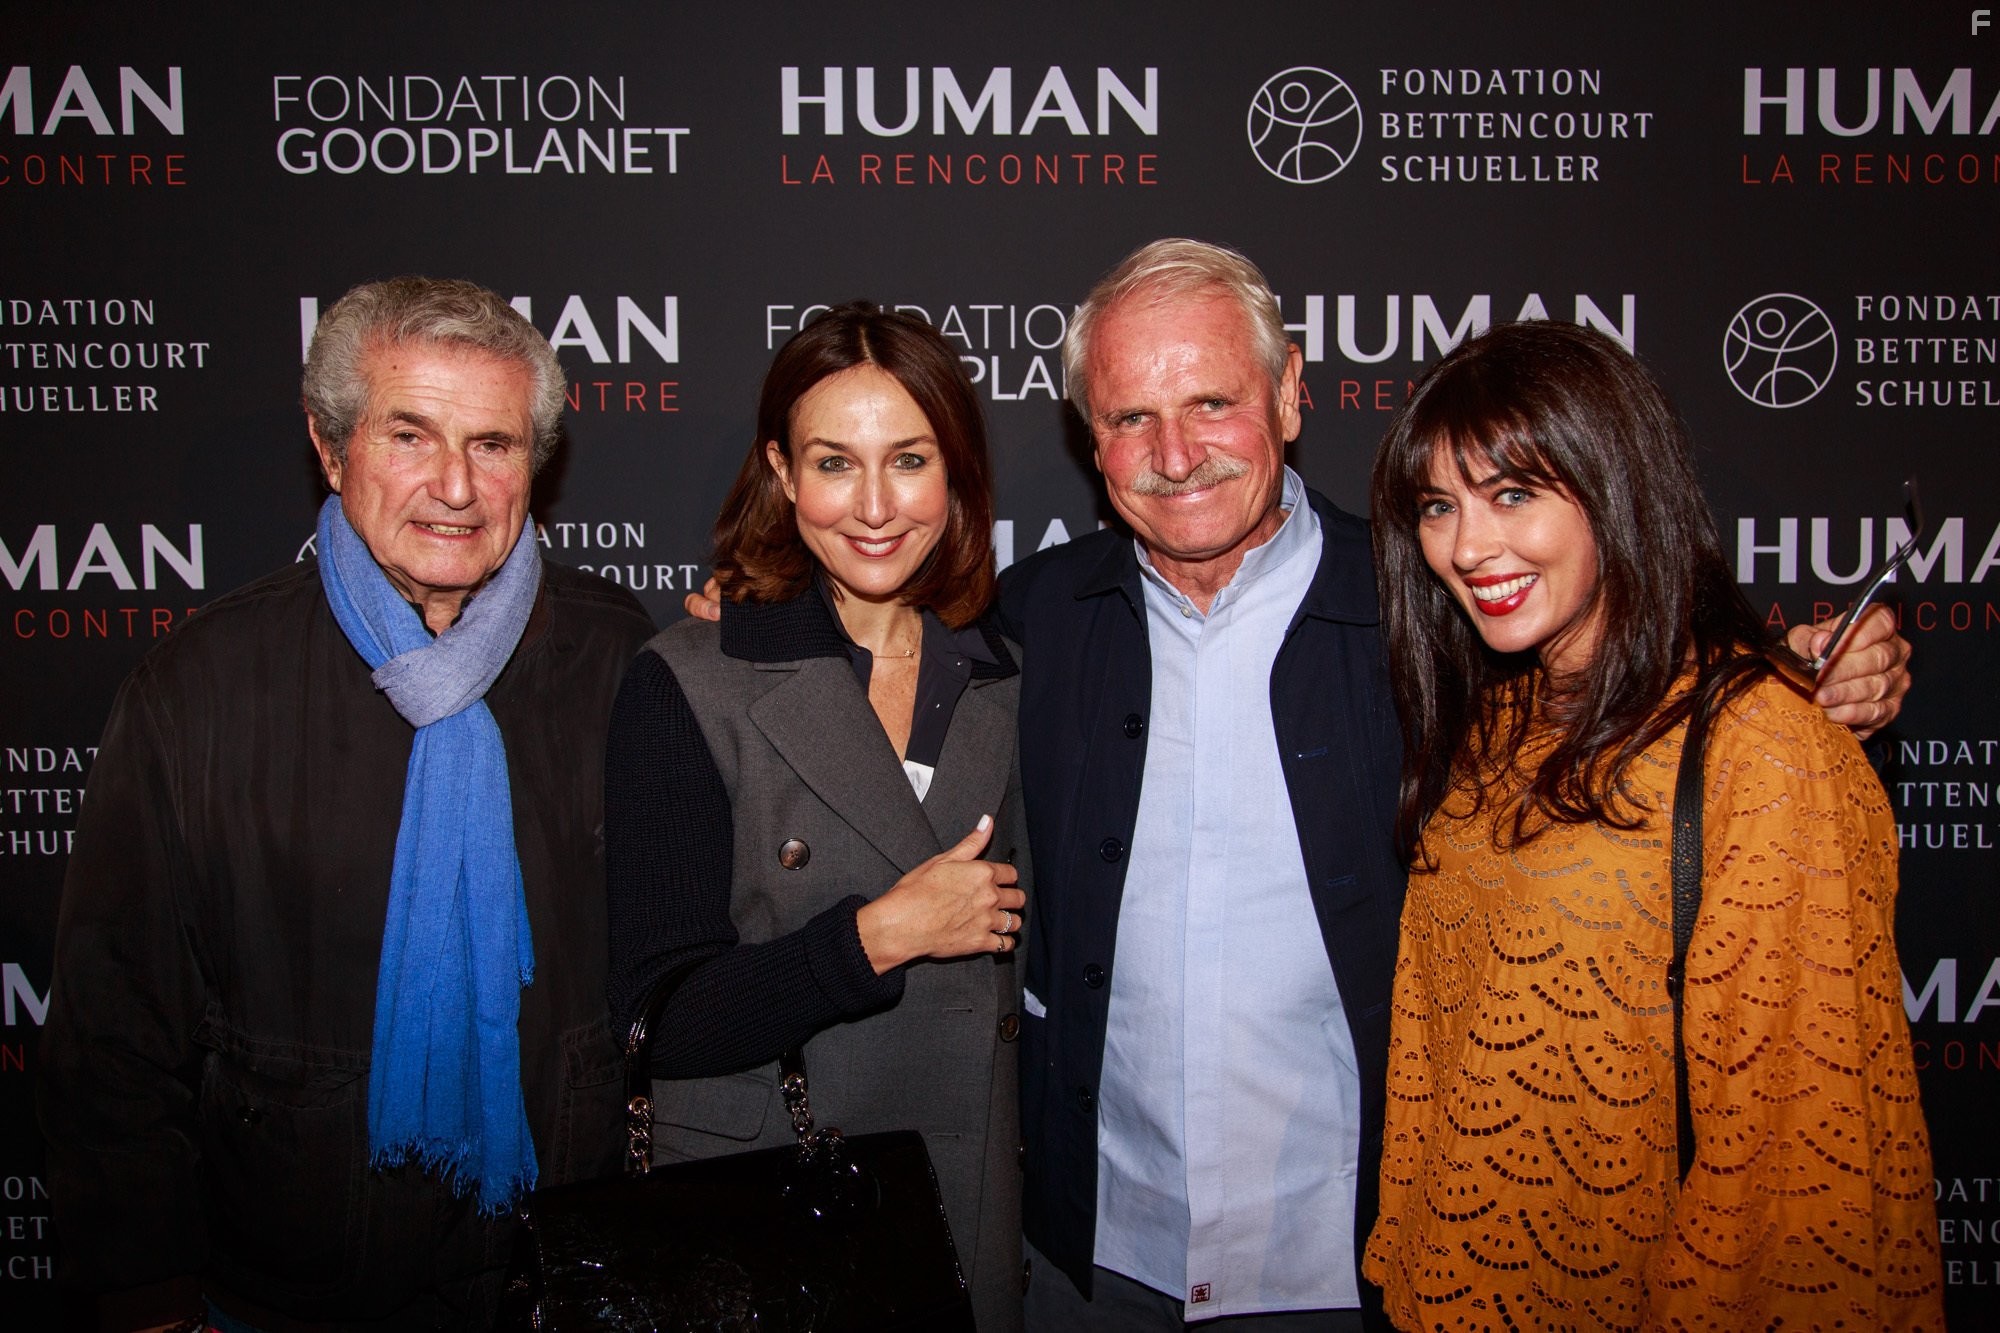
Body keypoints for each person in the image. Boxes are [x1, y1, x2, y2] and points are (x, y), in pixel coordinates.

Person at [687, 240, 1912, 1331]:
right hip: (1091, 1265)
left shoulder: (1434, 609)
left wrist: (1782, 676)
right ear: (1087, 441)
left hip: (1356, 1269)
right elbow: (869, 642)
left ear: (1285, 396)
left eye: (1212, 401)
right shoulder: (1034, 623)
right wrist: (755, 616)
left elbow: (1612, 677)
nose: (1173, 455)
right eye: (1128, 419)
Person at [38, 277, 657, 1331]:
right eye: (409, 436)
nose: (454, 485)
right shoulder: (204, 683)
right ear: (331, 450)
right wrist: (146, 1298)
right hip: (287, 1286)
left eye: (494, 444)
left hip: (563, 1272)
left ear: (533, 464)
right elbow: (113, 1029)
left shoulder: (619, 655)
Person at [1360, 320, 1942, 1328]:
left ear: (1614, 487)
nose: (1464, 547)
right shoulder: (1495, 719)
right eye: (1437, 506)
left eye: (1511, 494)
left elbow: (1801, 1174)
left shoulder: (1762, 747)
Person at [605, 301, 1028, 1331]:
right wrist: (877, 936)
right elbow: (660, 1019)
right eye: (834, 463)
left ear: (957, 472)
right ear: (782, 474)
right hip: (773, 1215)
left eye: (910, 460)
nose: (874, 505)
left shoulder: (1012, 668)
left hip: (971, 1207)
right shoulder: (691, 679)